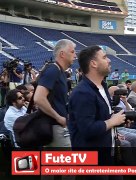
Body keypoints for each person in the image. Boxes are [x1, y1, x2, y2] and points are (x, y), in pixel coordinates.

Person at [68, 46, 125, 180]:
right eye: (104, 57)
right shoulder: (82, 93)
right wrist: (112, 122)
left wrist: (115, 128)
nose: (109, 60)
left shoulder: (102, 86)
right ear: (93, 63)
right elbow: (87, 130)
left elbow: (101, 117)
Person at [33, 39, 76, 180]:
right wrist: (58, 117)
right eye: (72, 51)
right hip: (55, 126)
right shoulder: (53, 69)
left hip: (52, 126)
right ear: (62, 54)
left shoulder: (59, 71)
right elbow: (39, 98)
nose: (75, 55)